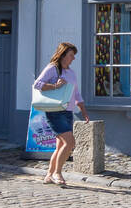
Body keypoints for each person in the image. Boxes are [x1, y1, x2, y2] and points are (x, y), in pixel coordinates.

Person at [33, 42, 91, 186]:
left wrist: (83, 111)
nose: (73, 58)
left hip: (68, 112)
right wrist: (55, 86)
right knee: (70, 143)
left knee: (60, 147)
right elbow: (37, 84)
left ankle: (49, 175)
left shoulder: (71, 72)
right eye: (71, 55)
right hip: (55, 112)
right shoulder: (53, 68)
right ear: (63, 55)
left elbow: (76, 93)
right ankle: (58, 173)